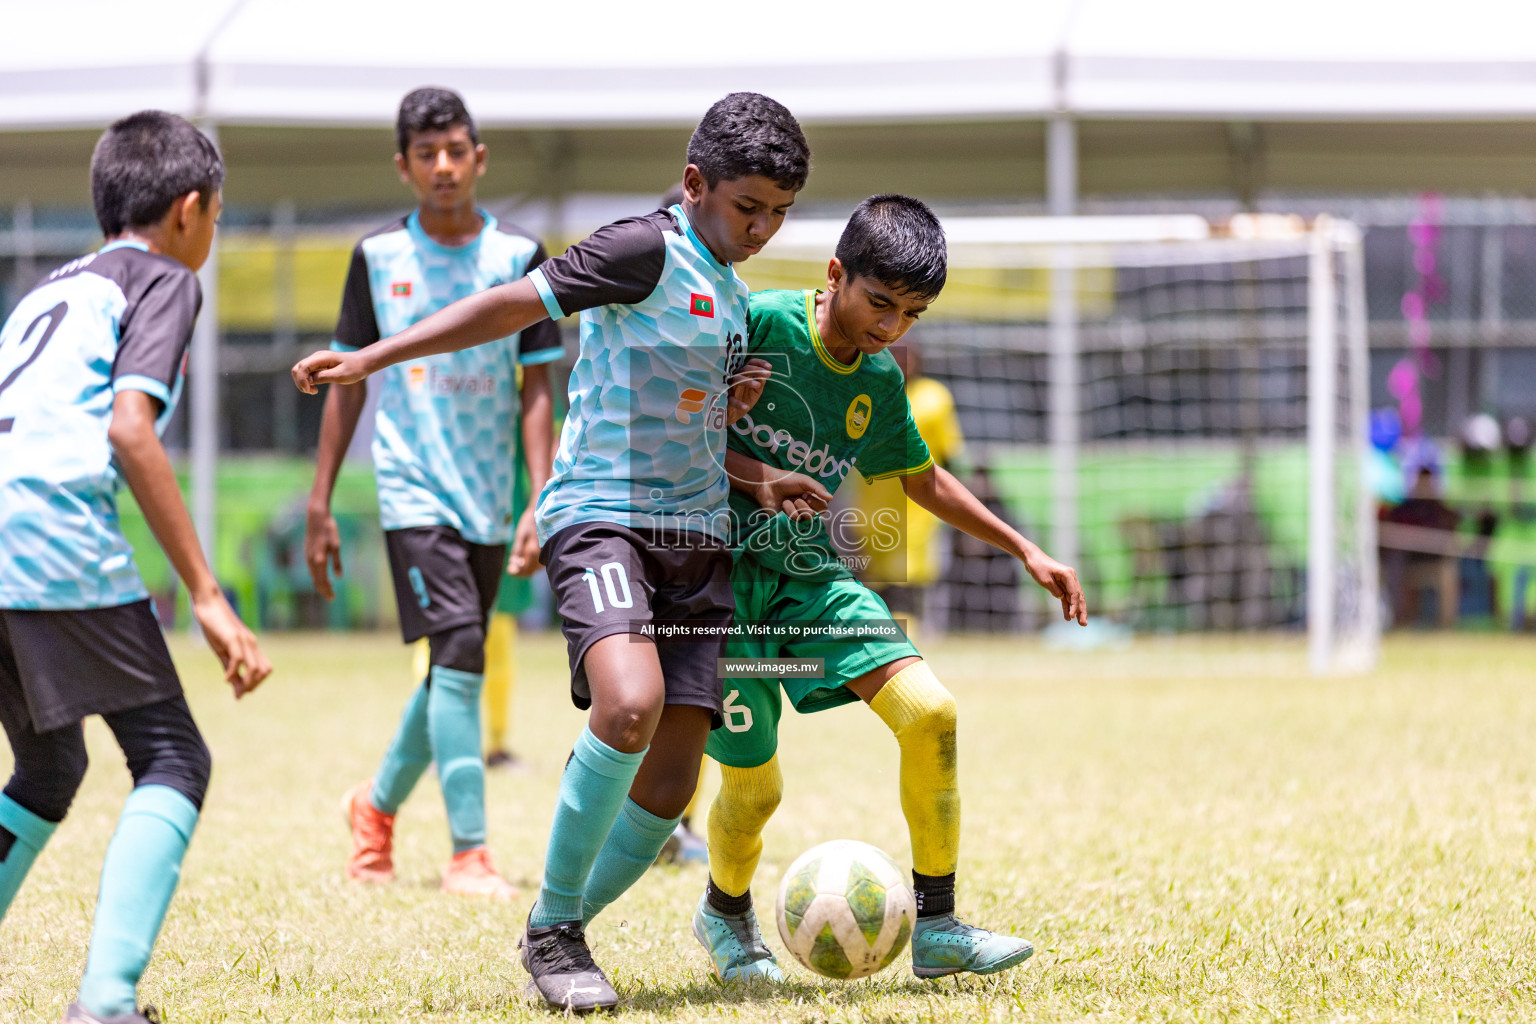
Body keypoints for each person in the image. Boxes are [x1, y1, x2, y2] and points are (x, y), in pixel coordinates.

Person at [293, 91, 810, 1013]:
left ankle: (550, 924)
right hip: (603, 517)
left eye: (780, 212)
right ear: (695, 185)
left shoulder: (733, 294)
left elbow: (687, 422)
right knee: (629, 704)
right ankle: (556, 926)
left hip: (701, 536)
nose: (765, 228)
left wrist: (755, 473)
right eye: (749, 207)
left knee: (675, 773)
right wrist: (375, 358)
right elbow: (505, 309)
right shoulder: (642, 247)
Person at [679, 195, 1086, 983]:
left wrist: (1025, 548)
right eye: (880, 303)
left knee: (930, 712)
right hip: (715, 591)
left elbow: (922, 477)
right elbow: (673, 425)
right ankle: (725, 914)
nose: (892, 328)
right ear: (836, 275)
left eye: (912, 314)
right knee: (755, 791)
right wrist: (749, 467)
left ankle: (938, 927)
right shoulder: (754, 325)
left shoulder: (879, 380)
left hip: (808, 582)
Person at [0, 111, 272, 1024]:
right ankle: (106, 1006)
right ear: (190, 210)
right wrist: (206, 592)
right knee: (172, 757)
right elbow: (128, 428)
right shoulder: (161, 279)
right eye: (220, 217)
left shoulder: (51, 285)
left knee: (48, 769)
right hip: (49, 531)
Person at [303, 87, 558, 899]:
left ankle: (372, 810)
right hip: (411, 488)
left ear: (479, 159)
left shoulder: (520, 254)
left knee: (450, 664)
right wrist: (320, 500)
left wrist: (538, 495)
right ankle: (470, 853)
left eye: (456, 151)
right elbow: (346, 382)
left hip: (488, 495)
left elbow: (536, 385)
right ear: (404, 166)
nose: (443, 167)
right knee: (460, 655)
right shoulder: (376, 257)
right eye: (426, 154)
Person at [846, 338, 965, 630]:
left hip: (916, 509)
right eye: (893, 354)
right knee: (872, 582)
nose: (901, 361)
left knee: (911, 578)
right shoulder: (867, 392)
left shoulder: (934, 398)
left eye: (906, 355)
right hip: (870, 505)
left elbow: (950, 458)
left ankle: (912, 641)